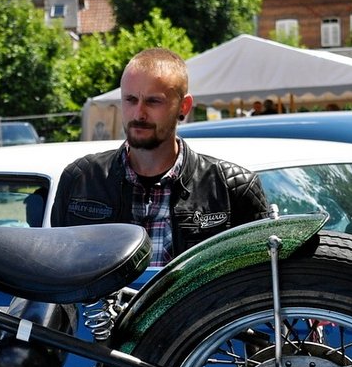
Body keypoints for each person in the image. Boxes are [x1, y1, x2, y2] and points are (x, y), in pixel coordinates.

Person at [52, 48, 269, 265]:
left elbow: (261, 277)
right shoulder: (81, 180)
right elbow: (59, 271)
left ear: (184, 106)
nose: (139, 113)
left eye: (153, 101)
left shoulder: (233, 188)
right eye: (130, 99)